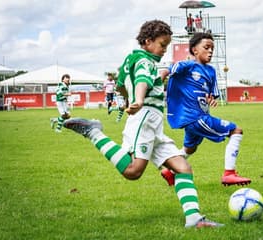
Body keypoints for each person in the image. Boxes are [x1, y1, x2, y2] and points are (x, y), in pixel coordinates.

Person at [63, 20, 223, 228]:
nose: (164, 50)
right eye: (162, 45)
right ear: (148, 41)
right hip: (145, 117)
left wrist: (129, 100)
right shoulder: (145, 61)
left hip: (152, 122)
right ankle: (93, 132)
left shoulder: (131, 59)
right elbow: (142, 81)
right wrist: (138, 100)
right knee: (133, 170)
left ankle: (194, 219)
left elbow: (120, 85)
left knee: (182, 167)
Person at [161, 32, 251, 187]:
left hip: (200, 115)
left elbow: (210, 93)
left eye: (212, 48)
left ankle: (170, 172)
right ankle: (229, 173)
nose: (210, 51)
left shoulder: (211, 71)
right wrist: (153, 83)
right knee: (236, 130)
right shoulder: (187, 65)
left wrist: (210, 98)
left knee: (190, 148)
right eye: (206, 47)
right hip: (194, 118)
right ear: (195, 50)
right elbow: (167, 71)